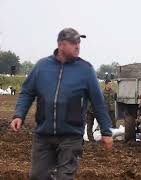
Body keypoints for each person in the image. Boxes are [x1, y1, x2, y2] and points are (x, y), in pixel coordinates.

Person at [10, 28, 113, 179]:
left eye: (79, 42)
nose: (77, 46)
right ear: (61, 45)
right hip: (43, 135)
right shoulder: (42, 67)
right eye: (73, 42)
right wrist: (19, 115)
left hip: (71, 136)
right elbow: (27, 92)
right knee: (37, 176)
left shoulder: (86, 70)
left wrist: (106, 131)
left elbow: (98, 102)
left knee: (64, 177)